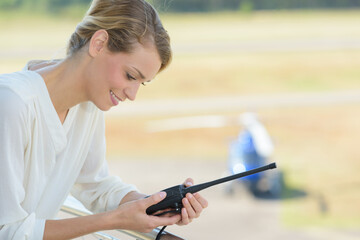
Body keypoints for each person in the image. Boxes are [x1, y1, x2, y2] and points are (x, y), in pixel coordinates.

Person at [0, 0, 208, 239]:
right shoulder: (12, 103)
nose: (132, 94)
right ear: (99, 44)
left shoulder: (88, 105)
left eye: (141, 83)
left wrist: (154, 204)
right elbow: (7, 231)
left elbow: (95, 185)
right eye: (130, 76)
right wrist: (114, 220)